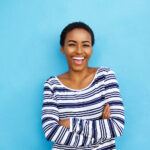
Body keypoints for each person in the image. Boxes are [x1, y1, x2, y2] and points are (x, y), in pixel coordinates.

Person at [41, 22, 125, 150]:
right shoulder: (52, 85)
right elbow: (50, 131)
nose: (79, 51)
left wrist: (71, 123)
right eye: (72, 44)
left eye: (85, 45)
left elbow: (117, 127)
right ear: (62, 48)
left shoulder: (105, 76)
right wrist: (100, 134)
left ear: (91, 49)